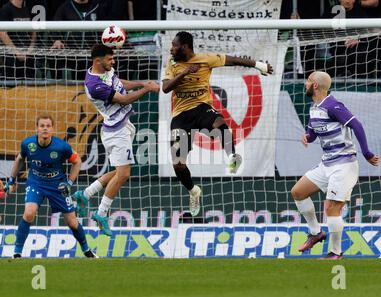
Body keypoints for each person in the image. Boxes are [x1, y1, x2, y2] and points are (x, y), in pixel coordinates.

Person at [161, 31, 273, 217]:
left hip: (201, 107)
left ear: (185, 47)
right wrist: (185, 73)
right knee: (178, 165)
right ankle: (193, 191)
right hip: (181, 116)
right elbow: (165, 88)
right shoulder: (172, 63)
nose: (171, 48)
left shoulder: (205, 59)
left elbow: (234, 60)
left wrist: (258, 65)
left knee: (219, 122)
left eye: (174, 45)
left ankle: (232, 157)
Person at [72, 44, 159, 237]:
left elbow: (119, 83)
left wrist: (142, 83)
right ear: (98, 60)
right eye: (110, 59)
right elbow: (123, 99)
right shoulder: (95, 86)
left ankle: (84, 195)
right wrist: (148, 90)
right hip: (116, 131)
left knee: (119, 171)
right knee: (124, 174)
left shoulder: (106, 70)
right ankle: (101, 214)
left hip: (122, 124)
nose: (113, 62)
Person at [291, 71, 379, 260]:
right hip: (327, 164)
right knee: (298, 192)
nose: (305, 84)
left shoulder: (333, 105)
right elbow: (313, 133)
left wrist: (366, 153)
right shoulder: (314, 107)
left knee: (331, 208)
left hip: (344, 164)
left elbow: (357, 125)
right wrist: (307, 137)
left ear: (315, 85)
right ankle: (316, 233)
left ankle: (335, 253)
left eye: (308, 81)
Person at [2, 114, 98, 259]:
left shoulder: (61, 146)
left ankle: (86, 250)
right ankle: (17, 252)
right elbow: (20, 159)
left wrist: (69, 183)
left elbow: (77, 161)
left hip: (57, 185)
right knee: (29, 213)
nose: (45, 129)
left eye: (48, 126)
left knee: (72, 222)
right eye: (42, 126)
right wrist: (11, 180)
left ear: (52, 129)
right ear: (37, 129)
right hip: (36, 182)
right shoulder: (28, 144)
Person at [0, 0, 38, 80]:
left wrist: (30, 49)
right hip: (11, 58)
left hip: (28, 57)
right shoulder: (5, 9)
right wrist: (16, 52)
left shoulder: (28, 8)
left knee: (30, 89)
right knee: (11, 89)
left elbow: (34, 31)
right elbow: (2, 33)